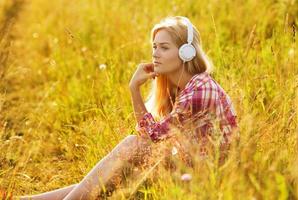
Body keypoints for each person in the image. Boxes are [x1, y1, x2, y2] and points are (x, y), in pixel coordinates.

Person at [19, 16, 238, 200]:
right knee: (109, 176)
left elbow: (150, 136)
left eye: (164, 47)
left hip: (207, 181)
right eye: (154, 47)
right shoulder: (184, 87)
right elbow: (153, 138)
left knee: (131, 146)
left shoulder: (199, 91)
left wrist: (134, 89)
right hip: (189, 171)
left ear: (187, 53)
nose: (155, 53)